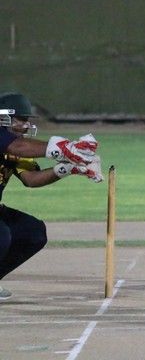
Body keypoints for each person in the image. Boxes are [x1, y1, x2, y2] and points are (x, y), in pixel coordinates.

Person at [0, 92, 102, 300]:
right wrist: (66, 148)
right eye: (21, 119)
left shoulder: (16, 145)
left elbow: (31, 178)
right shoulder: (12, 143)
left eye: (27, 120)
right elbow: (17, 147)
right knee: (1, 235)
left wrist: (67, 168)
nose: (26, 125)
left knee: (33, 232)